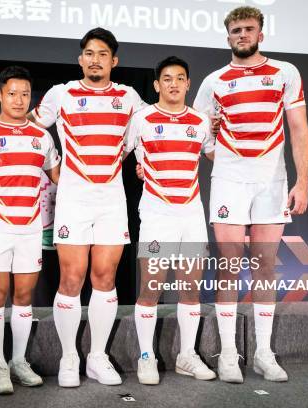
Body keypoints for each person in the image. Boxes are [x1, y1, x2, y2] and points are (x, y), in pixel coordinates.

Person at [193, 6, 308, 383]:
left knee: (264, 265)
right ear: (227, 36)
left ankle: (262, 353)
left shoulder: (285, 73)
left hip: (272, 182)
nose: (242, 34)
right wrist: (224, 158)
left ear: (261, 33)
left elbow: (300, 129)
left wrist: (303, 181)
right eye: (235, 30)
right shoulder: (213, 82)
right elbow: (199, 136)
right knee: (228, 266)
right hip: (228, 181)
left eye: (248, 29)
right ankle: (228, 353)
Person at [28, 27, 146, 387]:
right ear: (81, 59)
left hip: (111, 199)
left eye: (103, 54)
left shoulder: (128, 97)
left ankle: (96, 357)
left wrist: (144, 161)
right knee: (72, 277)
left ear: (114, 61)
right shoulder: (61, 93)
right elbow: (28, 127)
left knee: (105, 278)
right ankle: (68, 357)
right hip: (73, 199)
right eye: (89, 54)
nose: (96, 60)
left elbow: (151, 132)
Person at [0, 66, 61, 394]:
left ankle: (19, 361)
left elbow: (59, 177)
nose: (19, 100)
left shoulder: (42, 137)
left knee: (24, 297)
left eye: (25, 94)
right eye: (12, 93)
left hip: (30, 229)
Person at [125, 56, 216, 385]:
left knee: (190, 289)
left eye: (180, 78)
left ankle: (186, 355)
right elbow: (121, 152)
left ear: (188, 84)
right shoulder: (141, 119)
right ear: (156, 85)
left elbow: (215, 155)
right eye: (167, 78)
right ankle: (146, 356)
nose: (174, 84)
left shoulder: (201, 121)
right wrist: (140, 167)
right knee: (151, 288)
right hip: (156, 213)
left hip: (191, 213)